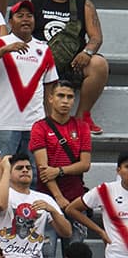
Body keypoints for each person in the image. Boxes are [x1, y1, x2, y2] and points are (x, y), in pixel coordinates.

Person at [32, 0, 108, 133]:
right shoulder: (35, 3)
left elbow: (96, 37)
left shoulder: (84, 4)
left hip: (73, 64)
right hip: (42, 64)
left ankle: (83, 116)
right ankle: (50, 124)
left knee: (99, 64)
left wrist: (87, 52)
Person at [0, 0, 58, 156]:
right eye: (20, 15)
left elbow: (50, 89)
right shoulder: (0, 42)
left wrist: (50, 123)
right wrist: (4, 50)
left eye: (29, 16)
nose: (26, 19)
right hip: (4, 124)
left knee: (33, 176)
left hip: (35, 125)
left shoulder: (44, 48)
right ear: (10, 22)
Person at [0, 152, 70, 258]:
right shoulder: (3, 194)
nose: (25, 170)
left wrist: (52, 210)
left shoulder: (44, 198)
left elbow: (66, 232)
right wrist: (5, 169)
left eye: (28, 167)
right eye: (19, 168)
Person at [31, 81, 91, 216]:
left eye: (69, 97)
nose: (65, 101)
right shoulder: (39, 127)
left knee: (75, 237)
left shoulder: (82, 127)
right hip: (46, 198)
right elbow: (43, 169)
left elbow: (85, 164)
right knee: (48, 238)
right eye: (60, 96)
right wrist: (58, 197)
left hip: (76, 197)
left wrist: (59, 171)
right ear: (51, 98)